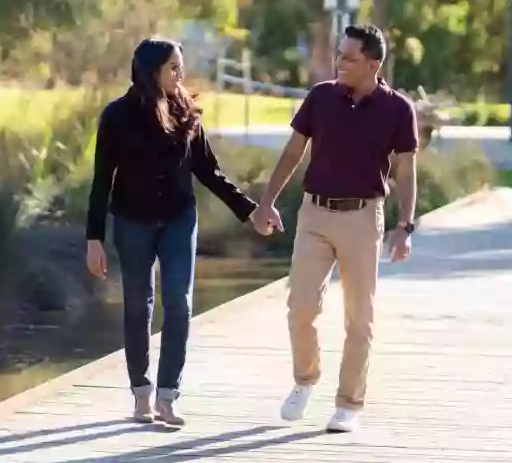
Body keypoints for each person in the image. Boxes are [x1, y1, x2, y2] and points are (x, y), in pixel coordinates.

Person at [251, 24, 419, 433]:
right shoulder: (321, 97)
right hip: (314, 215)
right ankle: (305, 380)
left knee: (359, 318)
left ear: (374, 64)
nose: (339, 63)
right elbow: (294, 151)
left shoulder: (398, 110)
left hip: (363, 217)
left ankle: (349, 404)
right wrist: (267, 201)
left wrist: (405, 225)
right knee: (300, 308)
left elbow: (407, 171)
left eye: (349, 57)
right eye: (338, 55)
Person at [85, 37, 260, 427]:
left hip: (179, 220)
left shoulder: (186, 113)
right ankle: (141, 394)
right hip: (132, 222)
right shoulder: (116, 117)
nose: (181, 74)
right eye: (173, 68)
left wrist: (249, 211)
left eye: (180, 67)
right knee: (138, 305)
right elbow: (101, 182)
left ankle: (168, 396)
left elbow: (210, 172)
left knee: (179, 304)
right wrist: (93, 239)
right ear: (152, 72)